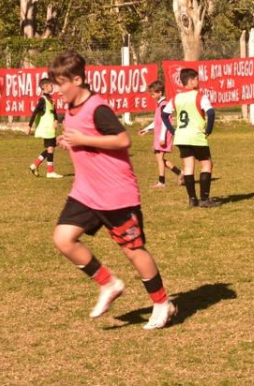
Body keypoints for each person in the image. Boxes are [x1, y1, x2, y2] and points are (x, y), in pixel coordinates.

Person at [50, 50, 176, 330]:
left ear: (78, 79)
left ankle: (161, 302)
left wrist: (82, 138)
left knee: (134, 251)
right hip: (86, 191)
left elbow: (122, 139)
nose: (56, 90)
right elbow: (86, 138)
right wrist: (70, 141)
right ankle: (108, 284)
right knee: (63, 239)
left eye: (61, 84)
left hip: (115, 193)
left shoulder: (98, 107)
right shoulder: (70, 109)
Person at [161, 68, 218, 208]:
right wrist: (208, 129)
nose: (198, 82)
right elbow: (210, 113)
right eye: (197, 79)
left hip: (181, 136)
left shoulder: (176, 97)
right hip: (196, 136)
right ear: (191, 81)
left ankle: (192, 199)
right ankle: (204, 199)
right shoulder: (199, 96)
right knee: (207, 164)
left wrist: (172, 130)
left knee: (188, 166)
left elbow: (164, 114)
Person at [137, 80, 183, 189]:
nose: (151, 95)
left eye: (153, 93)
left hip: (163, 136)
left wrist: (162, 137)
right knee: (158, 159)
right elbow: (156, 122)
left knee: (159, 158)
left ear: (160, 93)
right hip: (158, 136)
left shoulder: (164, 105)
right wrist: (146, 129)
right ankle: (180, 173)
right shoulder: (159, 105)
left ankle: (161, 182)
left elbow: (164, 122)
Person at [26, 77, 63, 179]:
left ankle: (35, 165)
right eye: (51, 85)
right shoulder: (42, 100)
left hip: (51, 128)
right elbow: (35, 112)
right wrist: (29, 126)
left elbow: (53, 112)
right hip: (47, 128)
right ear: (46, 87)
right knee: (51, 148)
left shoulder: (50, 99)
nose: (53, 86)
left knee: (50, 148)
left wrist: (56, 120)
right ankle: (50, 172)